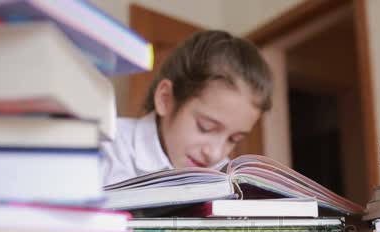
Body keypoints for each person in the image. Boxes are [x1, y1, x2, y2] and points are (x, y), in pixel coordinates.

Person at [101, 30, 273, 185]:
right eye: (206, 127)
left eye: (233, 139)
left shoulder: (223, 173)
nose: (215, 154)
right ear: (165, 99)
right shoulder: (108, 146)